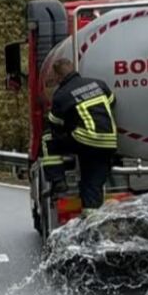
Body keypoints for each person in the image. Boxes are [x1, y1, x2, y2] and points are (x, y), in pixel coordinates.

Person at [41, 58, 118, 214]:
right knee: (92, 184)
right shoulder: (98, 84)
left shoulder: (61, 95)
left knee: (47, 138)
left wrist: (71, 126)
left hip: (85, 140)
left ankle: (58, 181)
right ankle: (92, 217)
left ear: (57, 76)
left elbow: (55, 125)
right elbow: (112, 102)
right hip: (109, 142)